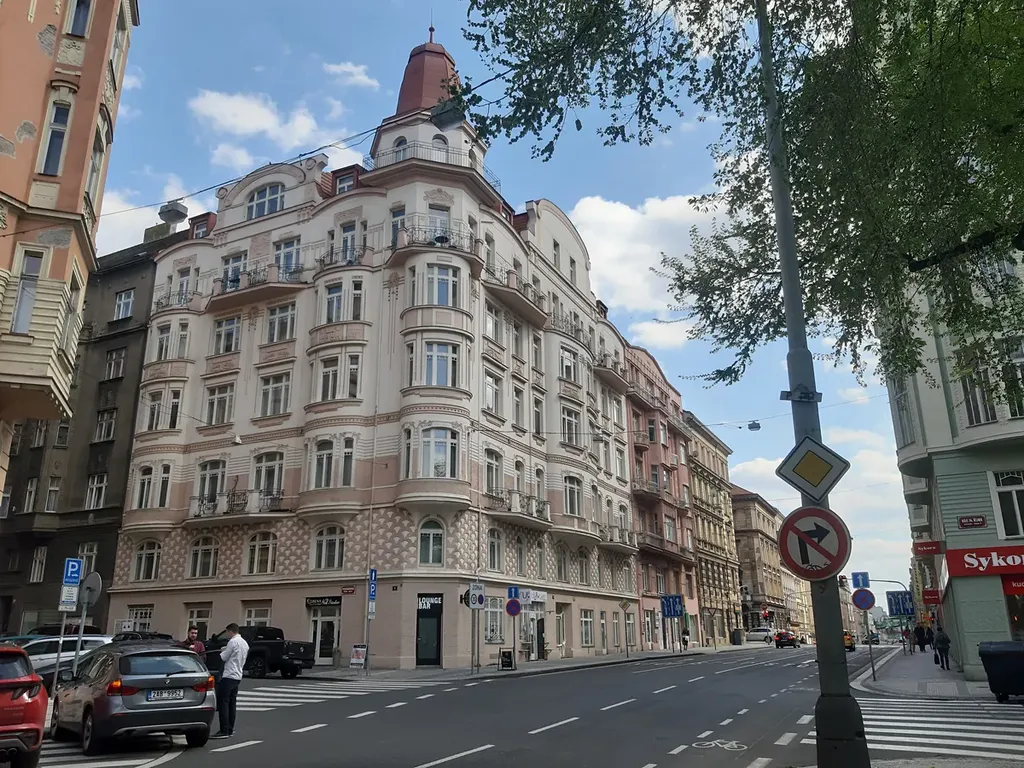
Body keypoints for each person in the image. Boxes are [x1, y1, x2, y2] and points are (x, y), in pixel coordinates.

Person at [211, 623, 249, 739]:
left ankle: (224, 730)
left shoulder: (232, 642)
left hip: (228, 675)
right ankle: (230, 728)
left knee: (223, 703)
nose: (227, 635)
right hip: (237, 675)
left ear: (230, 631)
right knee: (232, 704)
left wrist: (223, 650)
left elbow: (224, 657)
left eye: (227, 632)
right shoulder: (244, 643)